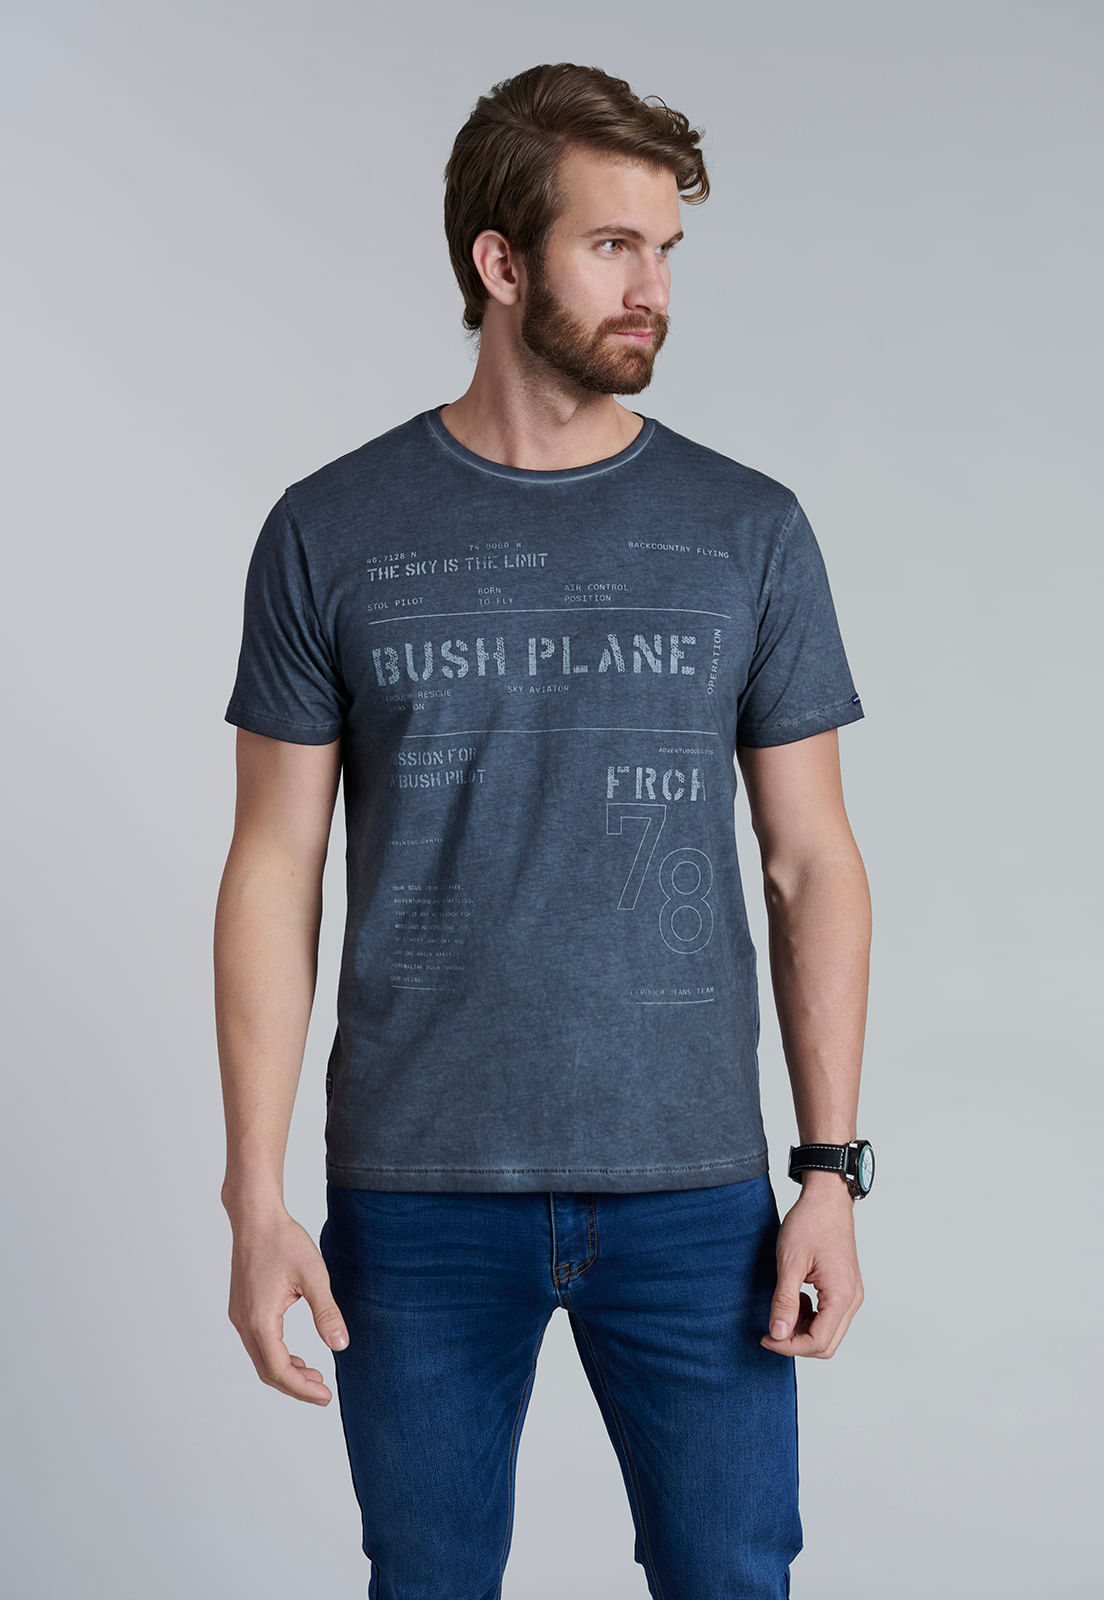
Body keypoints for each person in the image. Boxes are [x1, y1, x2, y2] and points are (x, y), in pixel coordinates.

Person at [214, 60, 873, 1600]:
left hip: (696, 1195)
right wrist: (254, 1193)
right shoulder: (329, 529)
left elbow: (812, 861)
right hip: (417, 1197)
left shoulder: (748, 530)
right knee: (429, 1582)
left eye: (667, 251)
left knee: (733, 1578)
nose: (654, 291)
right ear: (501, 264)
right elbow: (271, 869)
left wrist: (829, 1172)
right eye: (613, 246)